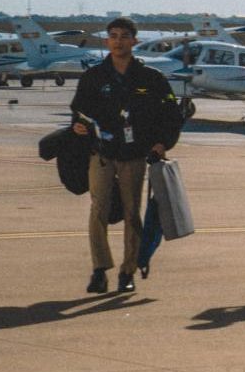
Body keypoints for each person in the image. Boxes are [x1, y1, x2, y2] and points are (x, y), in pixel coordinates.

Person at [70, 16, 181, 294]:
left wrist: (162, 144)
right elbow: (78, 109)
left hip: (134, 155)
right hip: (102, 154)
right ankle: (99, 270)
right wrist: (79, 125)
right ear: (107, 41)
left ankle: (127, 271)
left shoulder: (151, 78)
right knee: (98, 211)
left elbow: (170, 114)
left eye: (123, 36)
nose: (118, 41)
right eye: (113, 36)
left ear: (134, 41)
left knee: (132, 213)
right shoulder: (94, 77)